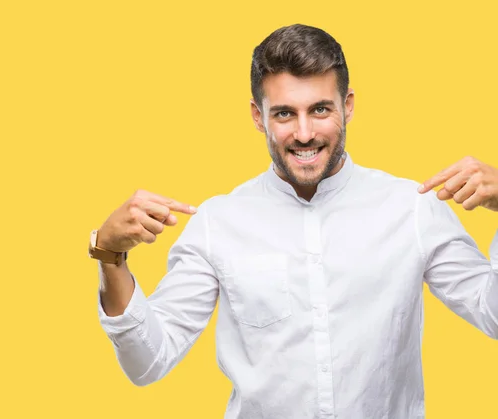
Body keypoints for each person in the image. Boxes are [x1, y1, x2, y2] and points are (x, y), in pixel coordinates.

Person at [89, 24, 498, 419]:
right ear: (257, 115)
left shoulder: (412, 208)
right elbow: (147, 363)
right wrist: (110, 256)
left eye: (320, 109)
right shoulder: (218, 223)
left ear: (348, 105)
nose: (304, 133)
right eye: (284, 114)